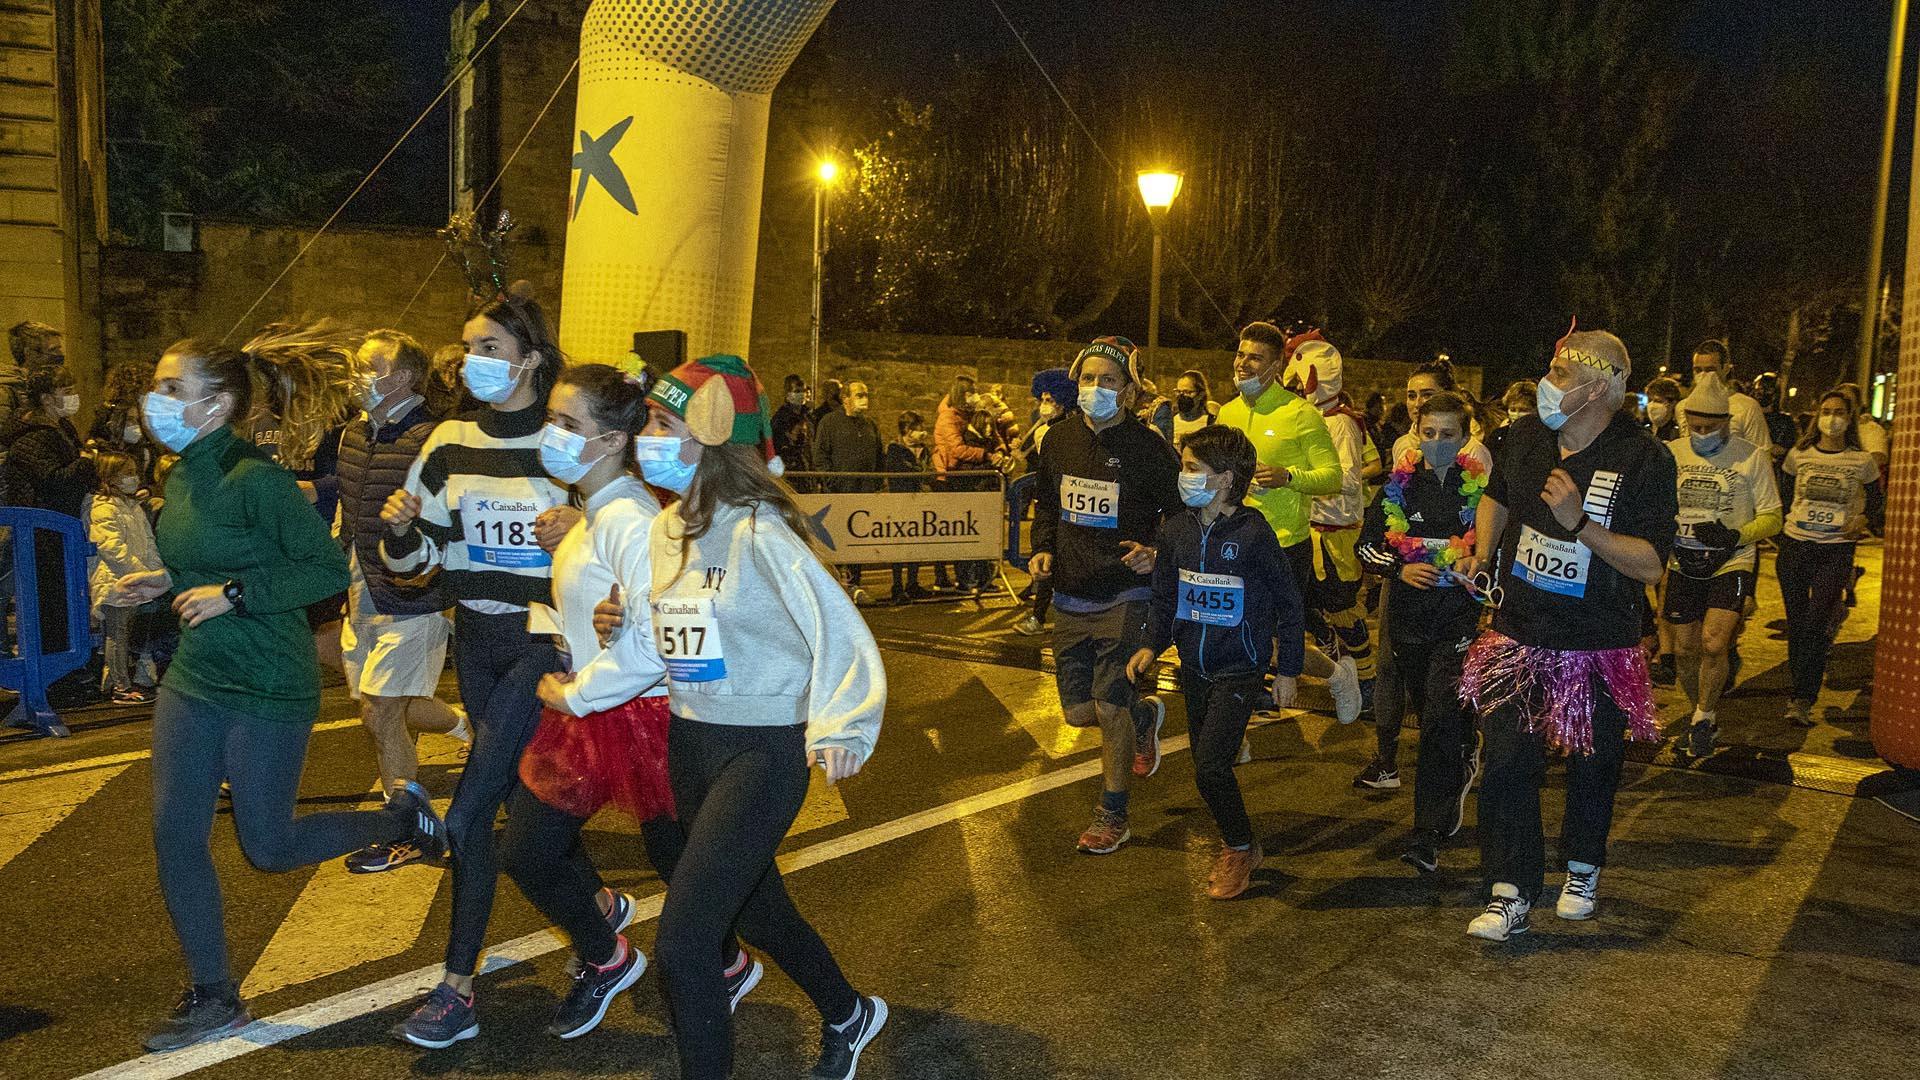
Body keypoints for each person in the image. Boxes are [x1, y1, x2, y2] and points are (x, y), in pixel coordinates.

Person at [113, 334, 447, 1052]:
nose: (156, 400)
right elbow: (204, 560)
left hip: (268, 683)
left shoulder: (254, 479)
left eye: (173, 388)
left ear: (218, 403)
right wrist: (164, 584)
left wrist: (235, 593)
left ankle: (399, 824)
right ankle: (213, 993)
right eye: (159, 385)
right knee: (176, 836)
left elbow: (325, 569)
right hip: (196, 679)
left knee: (268, 847)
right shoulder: (181, 477)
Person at [613, 353, 886, 1080]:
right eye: (648, 420)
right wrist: (619, 635)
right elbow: (667, 632)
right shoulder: (665, 529)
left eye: (664, 422)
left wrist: (842, 726)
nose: (649, 436)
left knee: (685, 938)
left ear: (709, 433)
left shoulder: (762, 530)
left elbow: (840, 629)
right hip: (689, 741)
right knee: (759, 910)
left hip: (762, 752)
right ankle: (849, 1012)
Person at [495, 362, 761, 1040]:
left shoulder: (632, 518)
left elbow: (655, 630)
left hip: (630, 714)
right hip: (597, 709)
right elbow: (612, 609)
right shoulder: (597, 513)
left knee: (659, 860)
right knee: (560, 849)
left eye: (567, 424)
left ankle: (659, 959)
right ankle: (631, 950)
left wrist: (582, 688)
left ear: (611, 441)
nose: (550, 434)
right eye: (550, 420)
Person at [381, 290, 602, 1048]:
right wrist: (404, 533)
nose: (471, 360)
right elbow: (420, 564)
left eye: (489, 348)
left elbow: (630, 534)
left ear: (531, 358)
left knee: (472, 813)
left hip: (545, 646)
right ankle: (599, 915)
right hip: (474, 641)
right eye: (467, 346)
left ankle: (457, 989)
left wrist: (584, 528)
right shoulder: (446, 440)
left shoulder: (567, 440)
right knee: (527, 800)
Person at [1457, 324, 1676, 941]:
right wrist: (1482, 550)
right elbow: (1498, 497)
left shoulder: (1644, 458)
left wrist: (1579, 523)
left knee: (1594, 763)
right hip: (1519, 632)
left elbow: (1652, 563)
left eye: (1562, 376)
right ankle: (1511, 889)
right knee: (1504, 764)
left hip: (1599, 643)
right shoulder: (1526, 436)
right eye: (1549, 372)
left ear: (1601, 387)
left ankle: (1582, 867)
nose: (1548, 387)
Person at [1126, 423, 1300, 898]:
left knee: (1210, 767)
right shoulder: (1177, 529)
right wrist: (1150, 644)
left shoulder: (1254, 533)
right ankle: (1237, 840)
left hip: (1240, 668)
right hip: (1194, 667)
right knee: (1206, 767)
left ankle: (1240, 848)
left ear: (1225, 478)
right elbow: (1165, 596)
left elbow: (1289, 602)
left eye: (1191, 468)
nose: (1183, 476)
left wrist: (1287, 669)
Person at [1030, 336, 1182, 853]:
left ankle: (1113, 812)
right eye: (1089, 378)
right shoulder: (1057, 439)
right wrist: (1042, 549)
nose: (1096, 388)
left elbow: (1181, 519)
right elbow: (1047, 504)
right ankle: (1144, 716)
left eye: (1109, 380)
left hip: (1127, 593)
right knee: (1078, 714)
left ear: (1130, 391)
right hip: (1070, 593)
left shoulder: (1151, 450)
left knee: (1109, 705)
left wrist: (1157, 553)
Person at [330, 330, 468, 874]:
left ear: (406, 376)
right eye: (359, 366)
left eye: (374, 367)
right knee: (384, 705)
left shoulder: (435, 439)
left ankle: (409, 830)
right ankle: (466, 731)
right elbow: (345, 508)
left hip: (415, 598)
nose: (360, 377)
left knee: (382, 711)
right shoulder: (351, 436)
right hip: (360, 592)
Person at [1356, 391, 1487, 872]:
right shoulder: (1397, 487)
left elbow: (1497, 550)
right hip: (1407, 624)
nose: (1436, 444)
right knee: (1430, 715)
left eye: (1447, 435)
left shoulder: (1482, 491)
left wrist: (1476, 563)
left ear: (1465, 437)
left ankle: (1426, 833)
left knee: (1435, 723)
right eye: (1428, 434)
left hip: (1456, 622)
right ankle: (1463, 748)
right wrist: (1399, 570)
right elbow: (1364, 548)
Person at [1217, 321, 1361, 721]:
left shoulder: (1300, 414)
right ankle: (1236, 726)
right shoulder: (1226, 412)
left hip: (1284, 544)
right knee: (1233, 633)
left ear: (1276, 365)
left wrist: (1289, 477)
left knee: (1277, 642)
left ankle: (1337, 674)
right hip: (1231, 541)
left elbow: (1333, 477)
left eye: (1255, 358)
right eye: (1241, 354)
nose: (1244, 363)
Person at [1663, 373, 1780, 758]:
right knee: (1684, 650)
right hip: (1682, 560)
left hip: (1731, 560)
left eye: (1709, 428)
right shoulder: (1672, 453)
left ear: (1727, 423)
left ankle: (1701, 718)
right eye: (1694, 427)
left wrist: (1734, 536)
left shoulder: (1752, 457)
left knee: (1714, 642)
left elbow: (1773, 517)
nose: (1701, 433)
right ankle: (1703, 710)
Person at [1777, 390, 1882, 726]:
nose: (1832, 417)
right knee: (1797, 623)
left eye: (1839, 411)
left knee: (1815, 622)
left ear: (1850, 418)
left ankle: (1804, 697)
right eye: (1826, 410)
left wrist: (1863, 519)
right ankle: (1798, 691)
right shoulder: (1799, 454)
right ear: (1816, 415)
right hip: (1796, 546)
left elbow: (1878, 503)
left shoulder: (1861, 461)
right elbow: (1782, 495)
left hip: (1835, 549)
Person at [1284, 340, 1377, 711]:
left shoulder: (1339, 423)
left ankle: (1367, 679)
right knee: (1300, 604)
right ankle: (1335, 655)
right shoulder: (1312, 419)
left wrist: (1294, 480)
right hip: (1307, 531)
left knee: (1343, 609)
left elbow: (1346, 479)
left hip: (1335, 537)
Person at [2, 366, 97, 675]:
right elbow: (54, 480)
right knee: (49, 605)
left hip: (61, 530)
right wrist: (86, 464)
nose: (73, 396)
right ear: (45, 398)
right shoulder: (31, 437)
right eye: (65, 390)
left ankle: (69, 668)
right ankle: (52, 673)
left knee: (67, 601)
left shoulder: (62, 429)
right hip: (42, 533)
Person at [88, 451, 165, 704]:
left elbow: (148, 541)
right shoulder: (103, 507)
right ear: (111, 477)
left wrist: (153, 571)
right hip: (114, 581)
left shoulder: (131, 507)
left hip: (132, 578)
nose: (134, 478)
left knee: (123, 632)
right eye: (127, 473)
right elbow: (111, 548)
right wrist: (140, 572)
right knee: (117, 634)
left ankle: (113, 680)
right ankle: (121, 687)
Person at [933, 374, 1013, 595]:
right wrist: (986, 455)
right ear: (962, 395)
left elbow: (995, 438)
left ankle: (980, 578)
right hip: (951, 478)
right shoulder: (948, 418)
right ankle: (955, 579)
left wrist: (999, 451)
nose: (975, 397)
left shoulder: (970, 415)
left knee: (979, 531)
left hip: (972, 479)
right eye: (971, 393)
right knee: (957, 532)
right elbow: (957, 450)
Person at [1013, 367, 1077, 636]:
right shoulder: (1043, 432)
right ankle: (1039, 610)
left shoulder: (1070, 432)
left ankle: (1040, 615)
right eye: (1043, 400)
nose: (1045, 406)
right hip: (1049, 498)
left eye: (1051, 400)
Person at [814, 379, 885, 604]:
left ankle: (855, 582)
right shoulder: (830, 422)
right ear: (846, 399)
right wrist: (830, 481)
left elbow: (879, 455)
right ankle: (835, 585)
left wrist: (876, 482)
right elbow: (821, 454)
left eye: (866, 394)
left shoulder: (870, 425)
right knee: (837, 539)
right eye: (859, 395)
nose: (865, 399)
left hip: (863, 493)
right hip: (840, 492)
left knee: (858, 539)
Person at [883, 410, 935, 604]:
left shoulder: (923, 450)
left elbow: (928, 472)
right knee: (900, 544)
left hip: (919, 500)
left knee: (917, 542)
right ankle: (897, 586)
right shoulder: (895, 449)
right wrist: (921, 472)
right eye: (918, 429)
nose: (922, 433)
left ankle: (912, 583)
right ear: (907, 430)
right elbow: (903, 471)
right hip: (900, 501)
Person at [1680, 340, 1770, 451]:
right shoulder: (1683, 406)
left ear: (1725, 369)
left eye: (1710, 370)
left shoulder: (1747, 407)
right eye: (1698, 370)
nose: (1703, 375)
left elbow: (1762, 452)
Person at [772, 372, 814, 474]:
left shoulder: (808, 417)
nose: (802, 394)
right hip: (790, 471)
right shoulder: (780, 419)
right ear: (788, 394)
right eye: (797, 391)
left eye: (803, 391)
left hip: (807, 470)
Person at [1170, 369, 1218, 446]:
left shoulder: (1211, 424)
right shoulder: (1170, 422)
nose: (1182, 396)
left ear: (1201, 394)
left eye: (1187, 392)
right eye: (1178, 392)